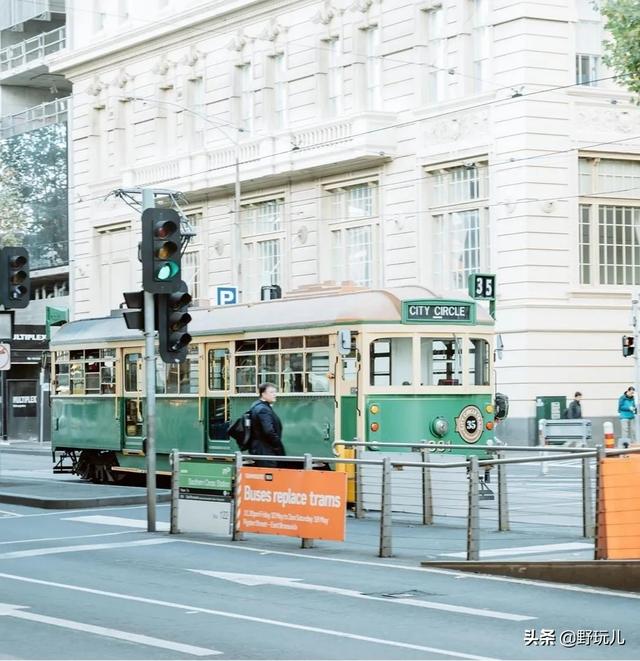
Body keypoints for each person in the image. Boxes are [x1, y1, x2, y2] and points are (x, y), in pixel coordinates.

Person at [249, 382, 286, 467]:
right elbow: (269, 431)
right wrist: (277, 443)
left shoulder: (257, 406)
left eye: (275, 392)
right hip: (266, 450)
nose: (275, 394)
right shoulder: (263, 409)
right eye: (271, 392)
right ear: (263, 394)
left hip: (262, 449)